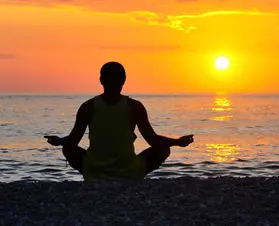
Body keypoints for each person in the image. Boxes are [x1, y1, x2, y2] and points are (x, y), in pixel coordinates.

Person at [44, 61, 194, 181]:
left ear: (101, 80)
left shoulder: (87, 107)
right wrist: (177, 142)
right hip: (129, 171)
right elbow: (153, 140)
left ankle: (95, 176)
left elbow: (72, 141)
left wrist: (59, 141)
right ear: (124, 80)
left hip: (95, 171)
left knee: (67, 148)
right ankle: (132, 176)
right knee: (164, 148)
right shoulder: (135, 107)